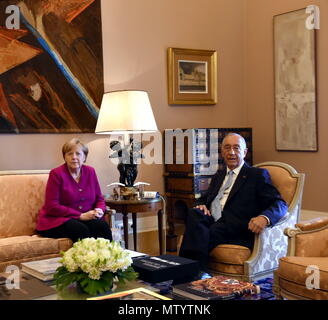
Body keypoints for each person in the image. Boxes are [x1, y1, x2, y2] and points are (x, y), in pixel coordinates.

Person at [179, 133, 288, 276]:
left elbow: (279, 203)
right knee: (194, 213)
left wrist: (264, 217)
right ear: (222, 152)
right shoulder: (219, 175)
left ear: (244, 152)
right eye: (227, 148)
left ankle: (187, 273)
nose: (231, 152)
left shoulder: (256, 175)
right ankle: (196, 272)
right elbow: (204, 198)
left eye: (236, 148)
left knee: (199, 233)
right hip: (213, 220)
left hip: (235, 226)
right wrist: (201, 205)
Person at [36, 138, 112, 242]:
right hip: (57, 220)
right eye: (70, 154)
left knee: (101, 226)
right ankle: (86, 258)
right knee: (80, 230)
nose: (74, 157)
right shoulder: (56, 174)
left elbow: (99, 199)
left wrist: (99, 209)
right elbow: (51, 206)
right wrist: (80, 216)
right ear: (65, 157)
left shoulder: (90, 171)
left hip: (85, 218)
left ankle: (107, 257)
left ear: (84, 157)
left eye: (78, 154)